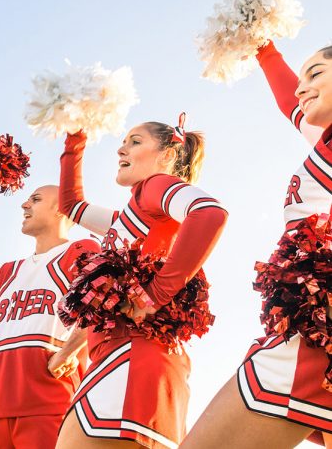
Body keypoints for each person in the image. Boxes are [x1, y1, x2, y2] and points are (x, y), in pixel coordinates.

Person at [180, 42, 332, 448]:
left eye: (315, 74)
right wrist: (263, 48)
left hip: (312, 341)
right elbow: (290, 102)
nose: (301, 88)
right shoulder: (325, 140)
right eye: (301, 79)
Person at [55, 119, 228, 449]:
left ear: (167, 155)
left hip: (131, 358)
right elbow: (71, 206)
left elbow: (209, 212)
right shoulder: (131, 215)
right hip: (127, 358)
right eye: (123, 142)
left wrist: (155, 295)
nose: (121, 149)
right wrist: (75, 135)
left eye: (135, 142)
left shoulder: (154, 187)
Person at [0, 184, 99, 449]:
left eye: (36, 199)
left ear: (61, 209)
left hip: (50, 405)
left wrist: (67, 352)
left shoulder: (80, 250)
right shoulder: (8, 272)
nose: (24, 204)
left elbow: (104, 297)